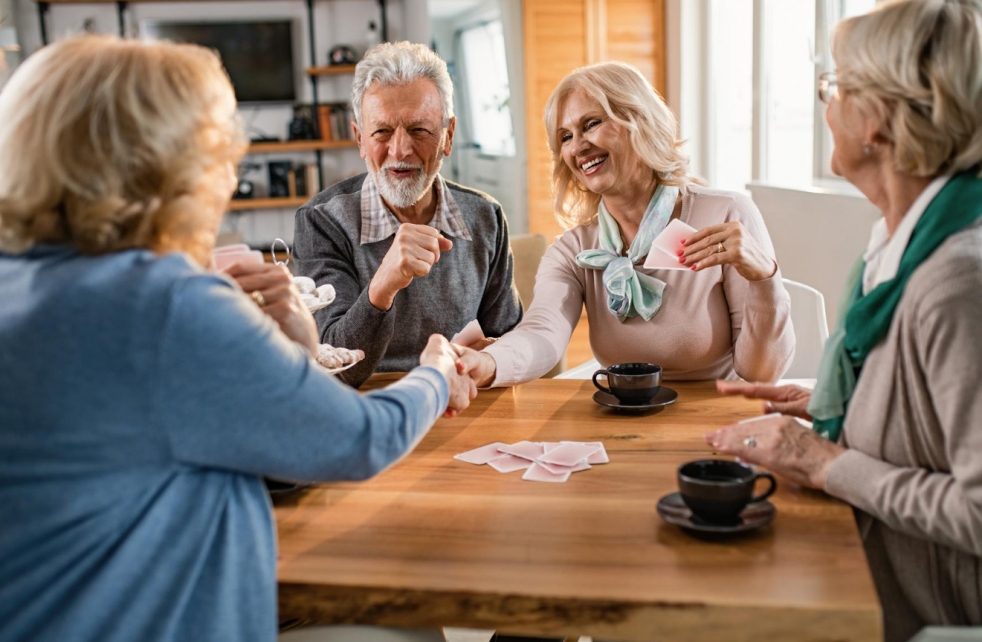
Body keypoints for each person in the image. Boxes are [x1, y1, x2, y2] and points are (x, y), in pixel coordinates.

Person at [0, 35, 476, 642]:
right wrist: (435, 373)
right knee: (410, 629)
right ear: (172, 163)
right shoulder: (170, 301)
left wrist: (292, 355)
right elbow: (360, 439)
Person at [705, 1, 982, 640]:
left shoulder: (957, 278)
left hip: (929, 613)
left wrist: (826, 461)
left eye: (834, 87)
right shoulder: (894, 242)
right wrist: (831, 402)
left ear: (878, 121)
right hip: (867, 569)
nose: (825, 106)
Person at [460, 61, 794, 388]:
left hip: (716, 416)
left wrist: (765, 279)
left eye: (591, 124)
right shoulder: (574, 251)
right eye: (565, 137)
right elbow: (542, 333)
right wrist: (490, 362)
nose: (577, 146)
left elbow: (760, 374)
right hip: (624, 415)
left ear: (640, 121)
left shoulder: (726, 214)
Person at [293, 41, 523, 389]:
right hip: (370, 407)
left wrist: (494, 358)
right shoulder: (322, 220)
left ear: (448, 136)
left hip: (460, 401)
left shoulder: (486, 216)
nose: (400, 150)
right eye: (382, 132)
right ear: (359, 138)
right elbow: (339, 374)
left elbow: (511, 346)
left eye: (419, 130)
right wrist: (383, 284)